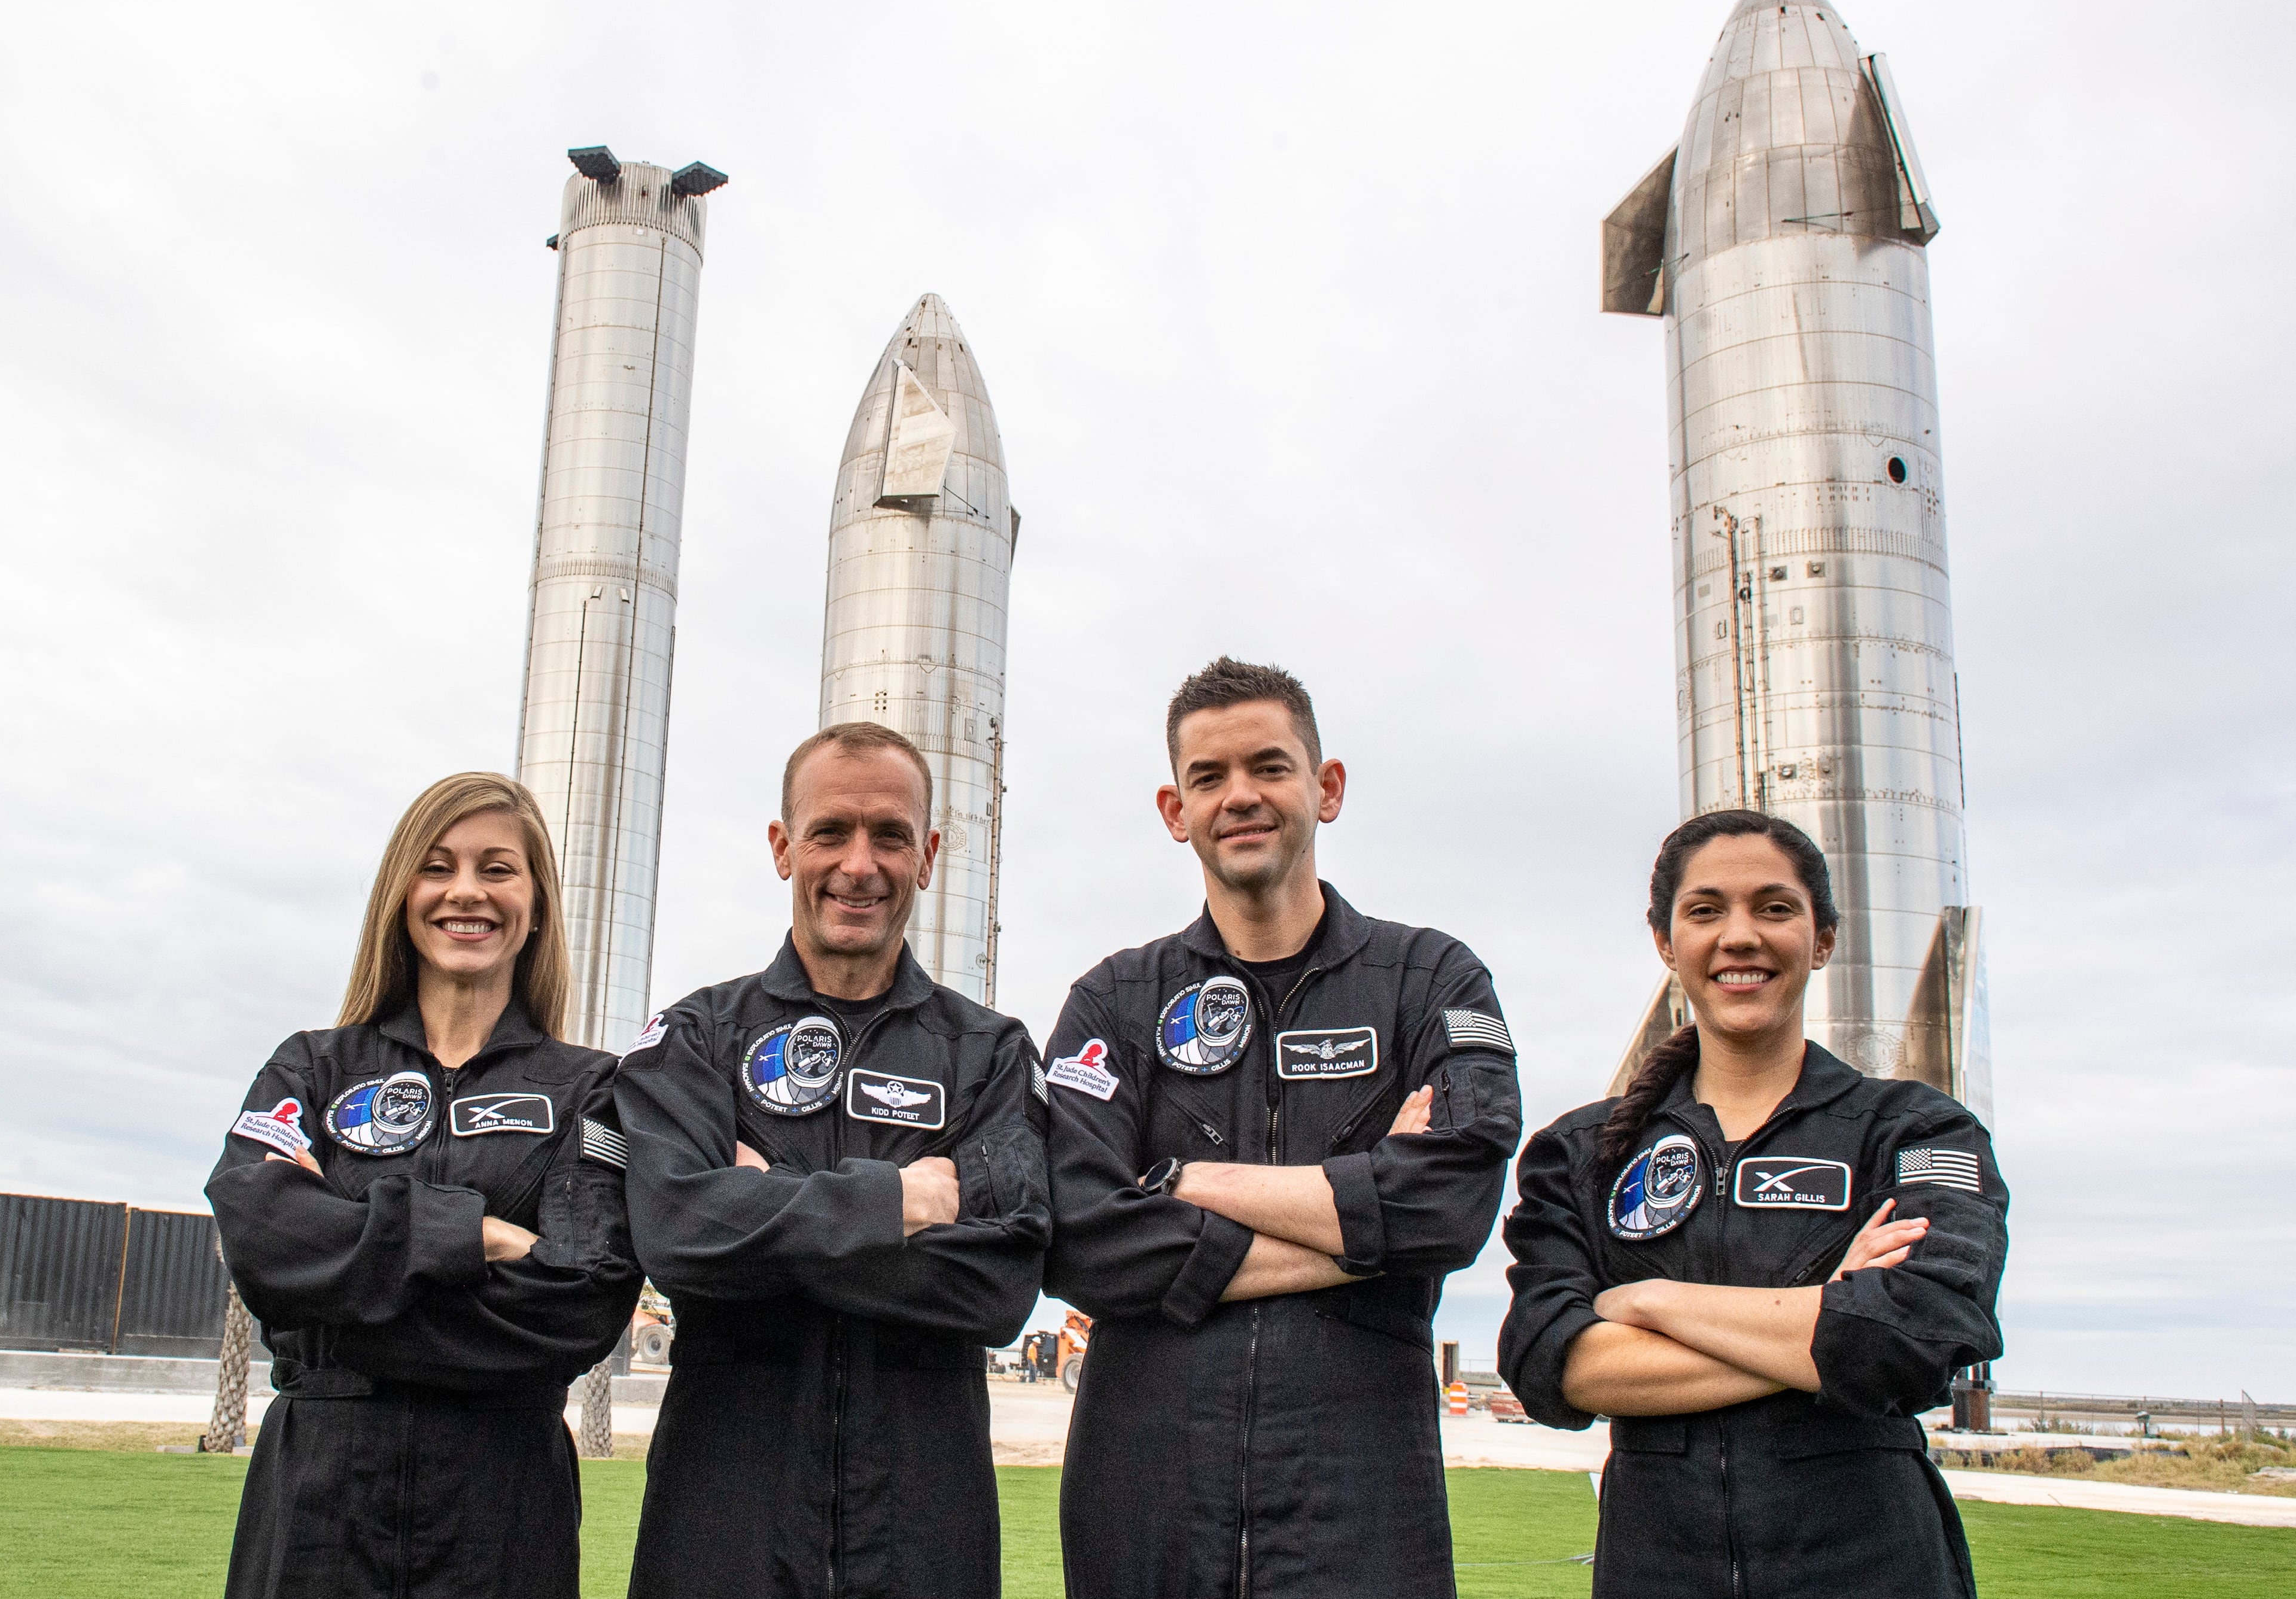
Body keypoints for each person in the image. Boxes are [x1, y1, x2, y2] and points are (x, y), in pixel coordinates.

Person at [1043, 657, 1523, 1599]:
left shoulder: (1429, 981)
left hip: (1359, 1496)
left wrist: (1177, 1180)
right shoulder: (1113, 1000)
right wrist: (1364, 1223)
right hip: (1144, 1498)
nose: (1239, 797)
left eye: (1268, 766)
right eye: (1207, 777)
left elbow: (1450, 1213)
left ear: (1326, 786)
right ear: (1173, 809)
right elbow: (1079, 1237)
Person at [1497, 808, 2010, 1598]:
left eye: (1774, 907)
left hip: (1872, 1569)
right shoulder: (1585, 1151)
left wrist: (1650, 1299)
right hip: (1655, 1570)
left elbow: (1912, 1340)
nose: (1740, 935)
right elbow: (1549, 1362)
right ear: (1667, 942)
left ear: (1822, 937)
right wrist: (1823, 1312)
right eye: (1705, 910)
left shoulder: (1914, 1129)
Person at [617, 722, 1050, 1599]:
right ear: (783, 847)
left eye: (889, 835)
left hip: (925, 1533)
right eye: (830, 832)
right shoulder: (700, 1037)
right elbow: (678, 1235)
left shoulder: (989, 1053)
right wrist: (896, 1200)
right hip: (721, 1525)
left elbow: (1000, 1288)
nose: (860, 864)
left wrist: (765, 1203)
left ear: (927, 855)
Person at [207, 772, 641, 1599]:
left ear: (538, 903)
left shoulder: (591, 1091)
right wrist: (477, 1234)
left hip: (502, 1510)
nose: (466, 891)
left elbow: (583, 1296)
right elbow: (260, 1240)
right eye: (438, 865)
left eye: (498, 868)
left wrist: (344, 1273)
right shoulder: (312, 1066)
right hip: (317, 1504)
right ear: (402, 894)